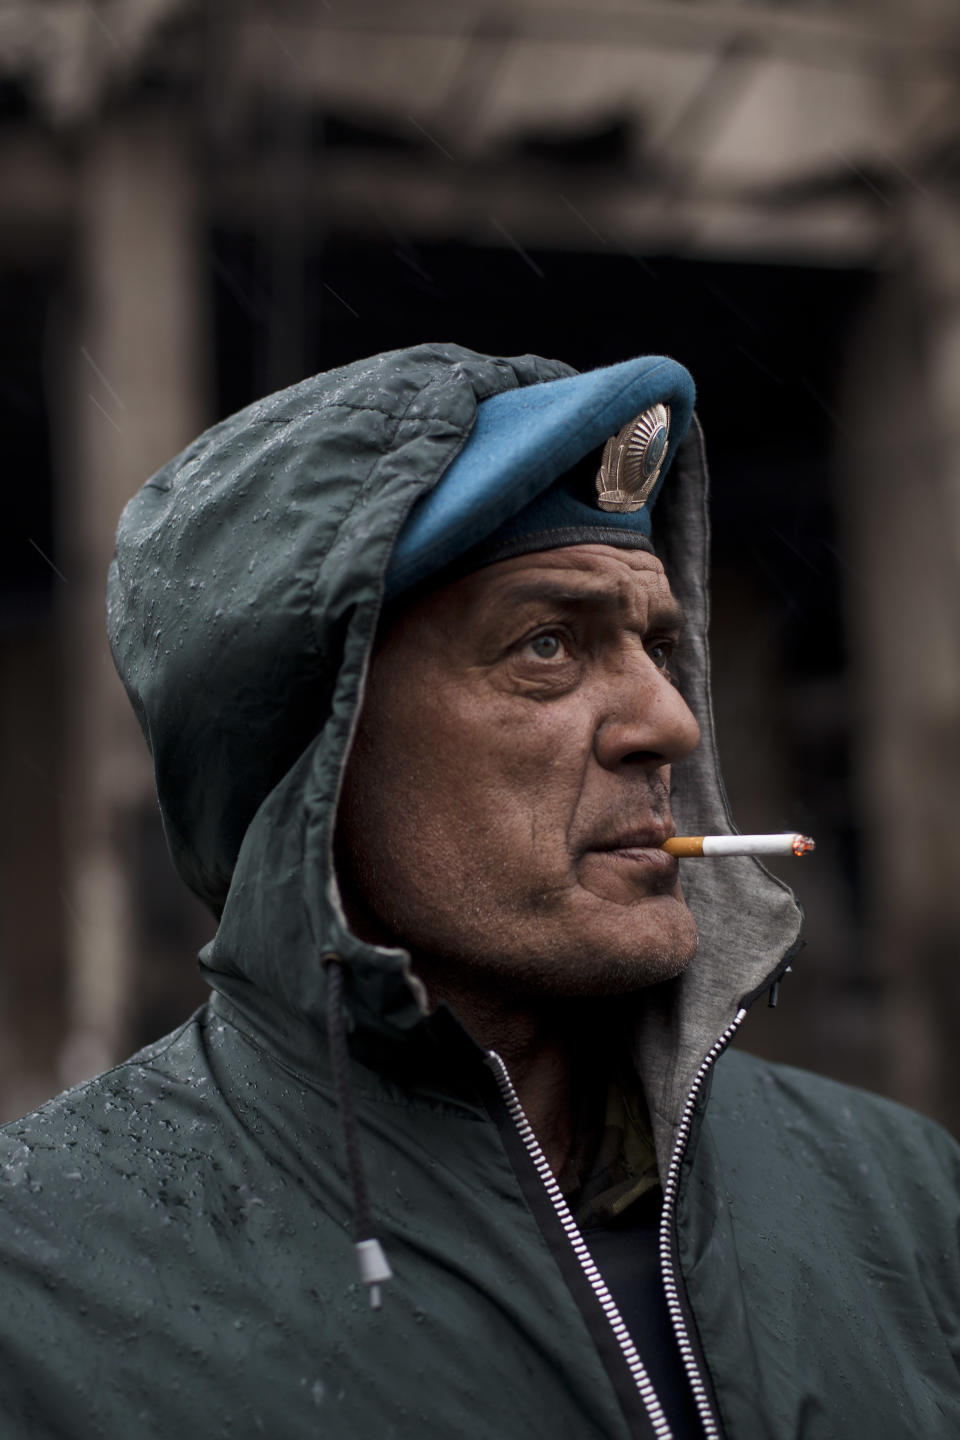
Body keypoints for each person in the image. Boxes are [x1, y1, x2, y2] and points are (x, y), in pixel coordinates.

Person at [1, 343, 958, 1439]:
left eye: (654, 644)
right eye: (547, 644)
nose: (672, 723)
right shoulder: (41, 1283)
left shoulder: (900, 1198)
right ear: (319, 755)